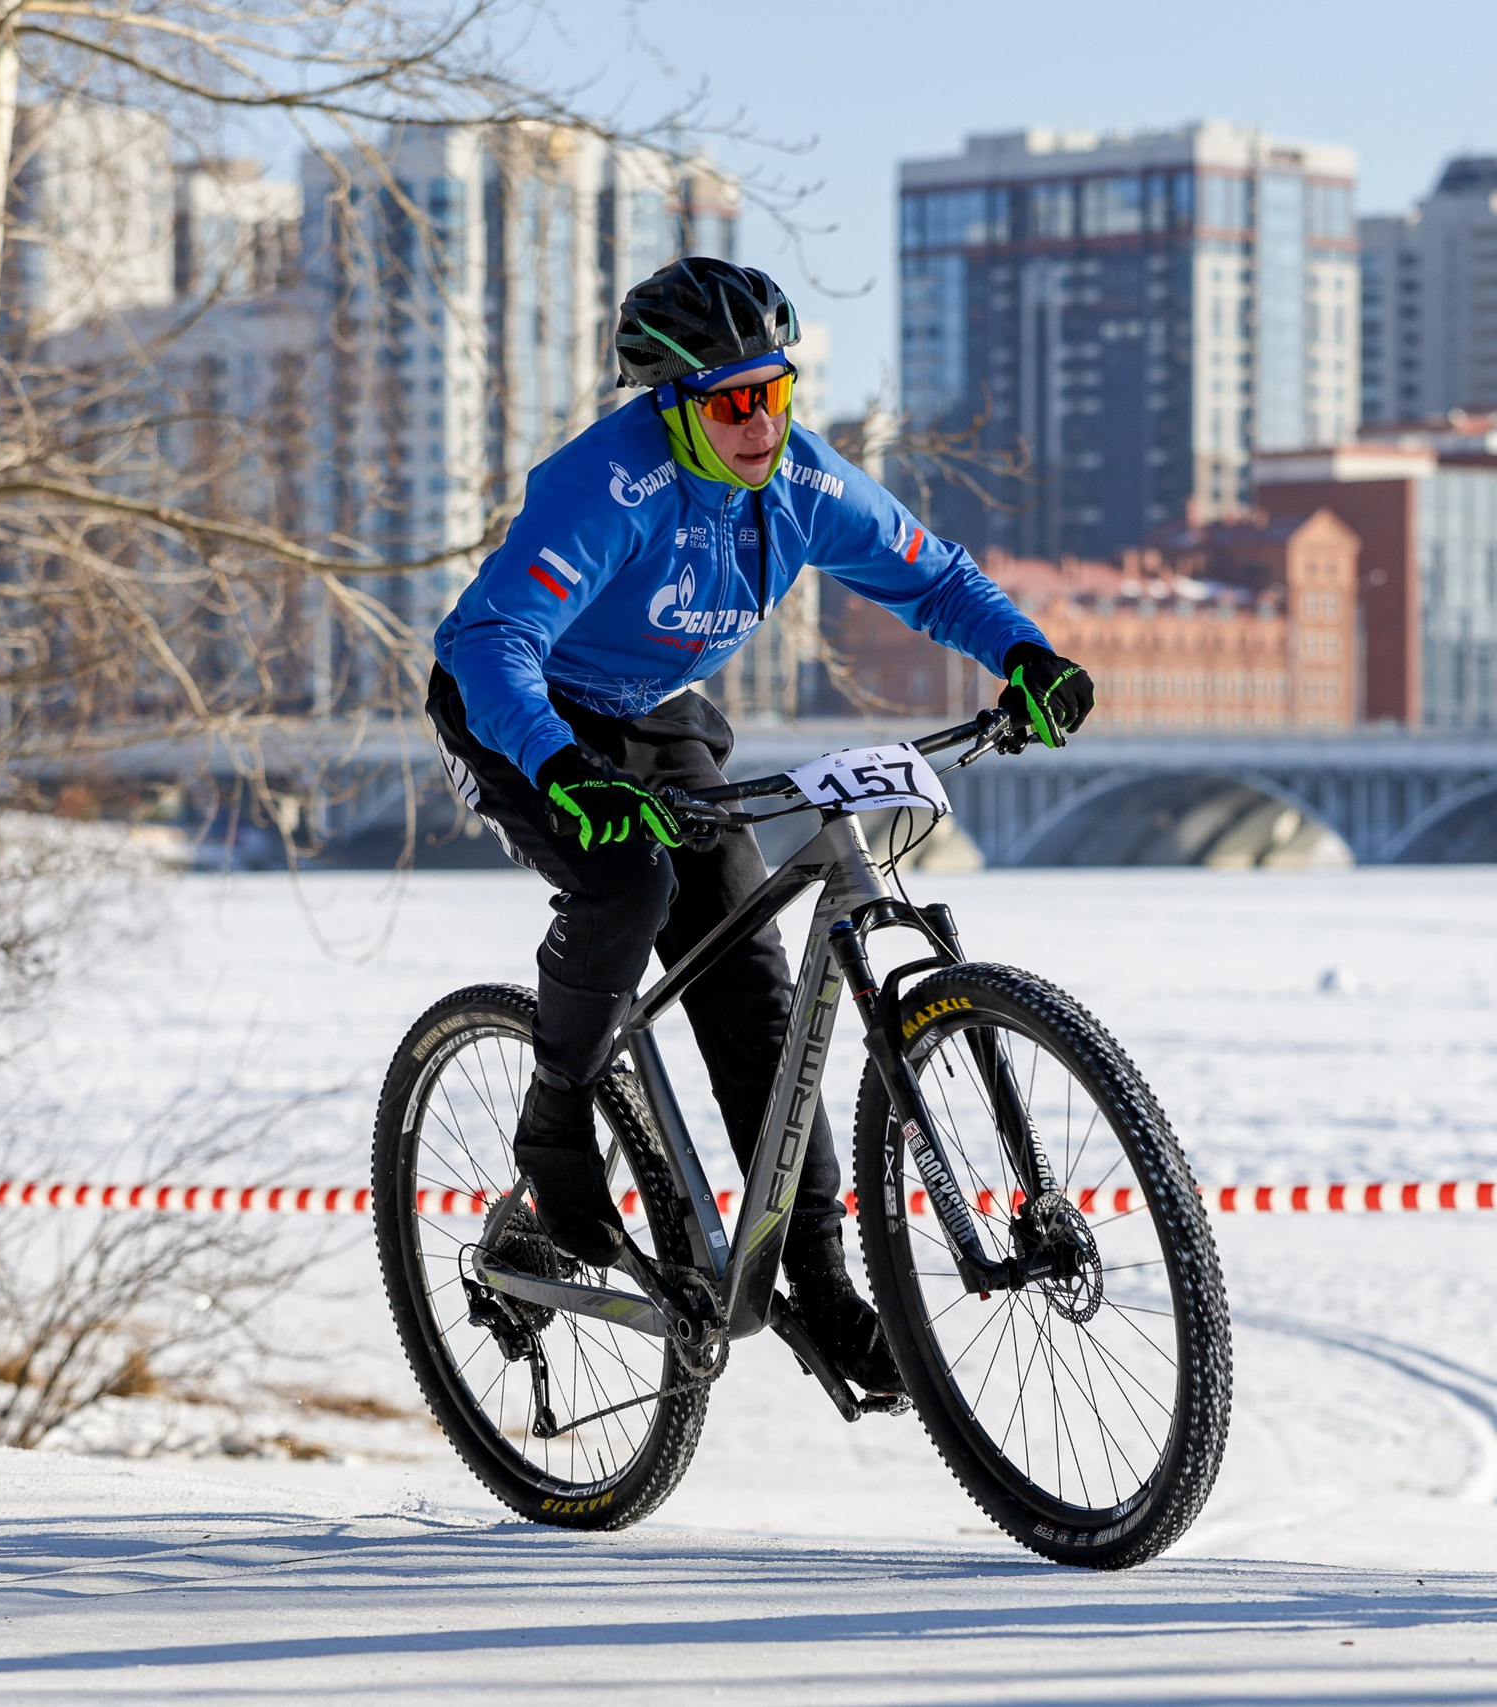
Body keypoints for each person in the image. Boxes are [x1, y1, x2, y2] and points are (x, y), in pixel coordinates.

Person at [428, 257, 1094, 1398]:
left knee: (753, 983)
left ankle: (822, 1281)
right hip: (514, 709)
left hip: (653, 715)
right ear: (674, 404)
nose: (760, 422)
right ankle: (556, 1118)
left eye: (775, 392)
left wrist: (1025, 654)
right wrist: (560, 766)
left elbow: (932, 579)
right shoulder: (608, 486)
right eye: (733, 401)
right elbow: (496, 642)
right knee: (627, 882)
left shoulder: (803, 480)